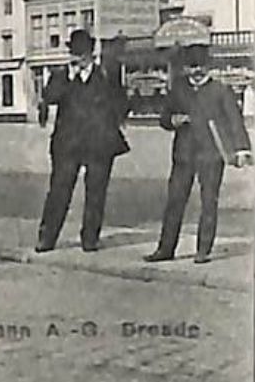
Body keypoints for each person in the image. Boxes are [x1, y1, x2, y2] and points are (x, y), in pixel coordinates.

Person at [145, 44, 254, 264]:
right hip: (183, 155)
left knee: (208, 202)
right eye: (192, 67)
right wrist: (172, 121)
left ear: (208, 67)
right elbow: (165, 117)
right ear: (186, 68)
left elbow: (235, 121)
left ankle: (203, 250)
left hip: (212, 155)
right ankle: (165, 249)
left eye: (200, 67)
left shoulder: (221, 90)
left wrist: (242, 150)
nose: (196, 72)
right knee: (175, 201)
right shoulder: (178, 88)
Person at [35, 29, 129, 253]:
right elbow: (50, 97)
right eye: (74, 53)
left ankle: (90, 238)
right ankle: (47, 237)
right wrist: (69, 76)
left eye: (82, 53)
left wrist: (112, 122)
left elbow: (122, 102)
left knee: (96, 193)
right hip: (68, 146)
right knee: (59, 191)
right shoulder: (61, 76)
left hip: (98, 144)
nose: (78, 58)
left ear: (90, 54)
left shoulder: (105, 74)